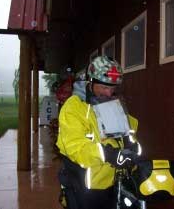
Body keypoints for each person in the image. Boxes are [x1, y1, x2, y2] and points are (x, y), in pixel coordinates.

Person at [56, 56, 141, 209]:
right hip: (85, 187)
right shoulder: (74, 108)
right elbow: (76, 147)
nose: (109, 93)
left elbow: (130, 131)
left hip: (115, 183)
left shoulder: (113, 104)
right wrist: (108, 154)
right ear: (91, 81)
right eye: (104, 87)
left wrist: (131, 145)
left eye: (113, 88)